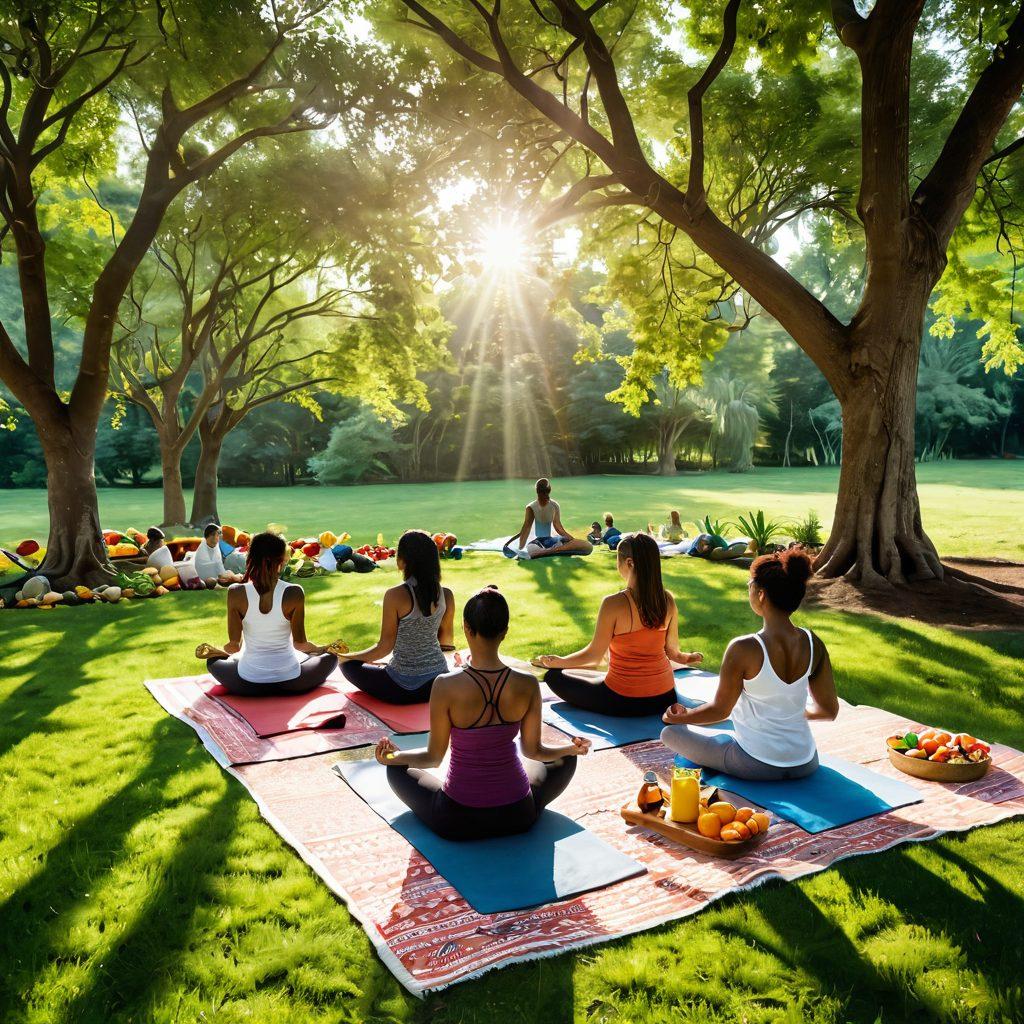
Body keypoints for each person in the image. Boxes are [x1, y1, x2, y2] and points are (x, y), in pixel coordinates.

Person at [375, 586, 591, 841]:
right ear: (505, 632)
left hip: (458, 819)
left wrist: (394, 756)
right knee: (566, 757)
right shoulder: (527, 683)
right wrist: (571, 749)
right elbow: (534, 751)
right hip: (518, 814)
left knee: (396, 769)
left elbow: (434, 757)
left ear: (466, 628)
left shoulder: (445, 685)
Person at [660, 548, 838, 780]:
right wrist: (790, 713)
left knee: (670, 734)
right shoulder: (814, 643)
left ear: (761, 594)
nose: (748, 590)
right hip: (805, 762)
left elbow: (720, 710)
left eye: (750, 585)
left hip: (755, 764)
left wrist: (679, 718)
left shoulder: (744, 648)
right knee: (724, 727)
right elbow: (829, 710)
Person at [535, 532, 703, 716]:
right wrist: (688, 658)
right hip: (665, 698)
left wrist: (559, 662)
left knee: (554, 677)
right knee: (590, 674)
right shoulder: (667, 600)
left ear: (629, 563)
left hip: (622, 700)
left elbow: (594, 655)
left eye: (618, 561)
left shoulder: (613, 604)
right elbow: (673, 653)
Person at [195, 531, 338, 695]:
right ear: (281, 561)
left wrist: (219, 653)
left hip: (248, 683)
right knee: (331, 657)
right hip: (291, 680)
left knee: (213, 662)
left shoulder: (235, 592)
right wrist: (322, 649)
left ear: (250, 558)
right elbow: (300, 644)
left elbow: (234, 646)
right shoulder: (294, 592)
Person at [337, 529, 456, 704]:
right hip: (439, 684)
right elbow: (446, 642)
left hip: (403, 687)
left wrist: (349, 657)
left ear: (402, 561)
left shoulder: (395, 595)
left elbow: (384, 648)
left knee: (347, 666)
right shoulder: (447, 595)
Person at [512, 478, 592, 559]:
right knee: (587, 546)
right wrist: (572, 541)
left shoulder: (544, 505)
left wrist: (520, 548)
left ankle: (545, 552)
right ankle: (555, 551)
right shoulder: (537, 506)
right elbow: (527, 528)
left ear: (537, 491)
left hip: (550, 542)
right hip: (546, 542)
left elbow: (527, 528)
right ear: (549, 490)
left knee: (588, 546)